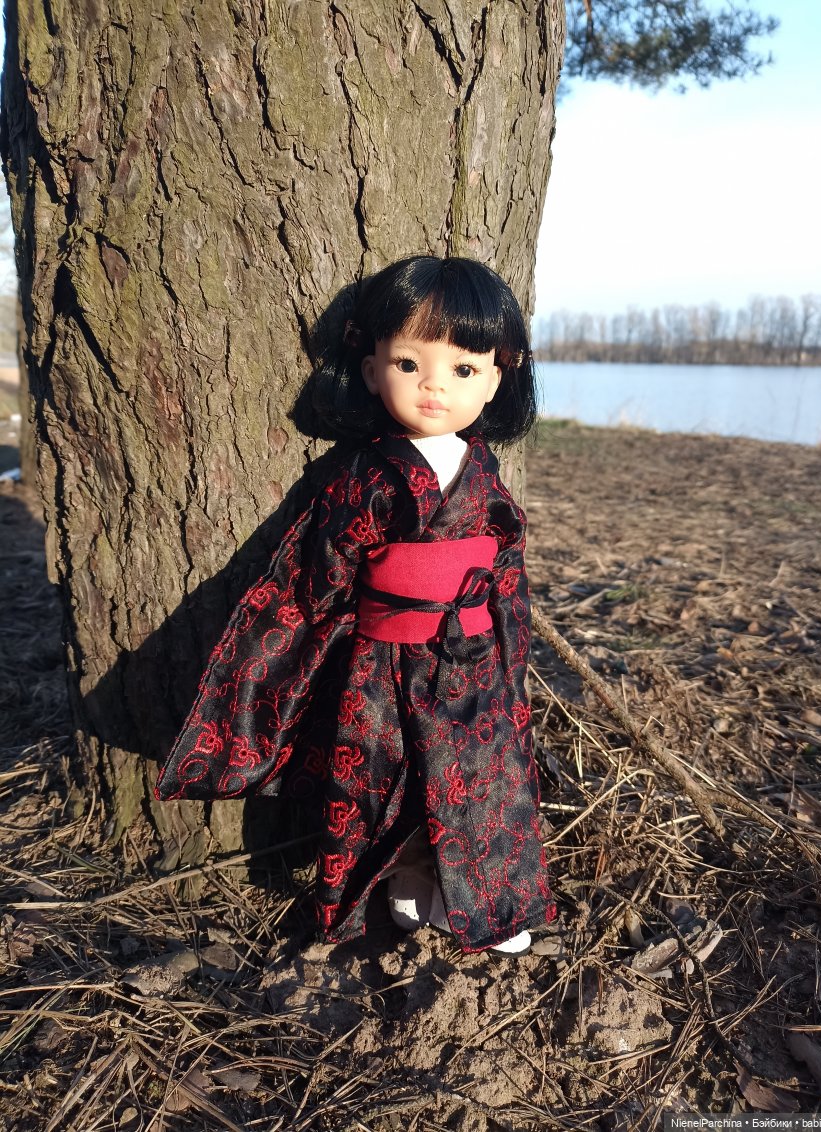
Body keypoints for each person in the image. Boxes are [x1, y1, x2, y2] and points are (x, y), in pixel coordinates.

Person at [155, 255, 556, 955]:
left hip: (471, 660)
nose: (435, 385)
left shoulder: (484, 478)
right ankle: (397, 883)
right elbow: (323, 571)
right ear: (372, 371)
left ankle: (490, 906)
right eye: (409, 364)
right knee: (384, 778)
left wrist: (508, 650)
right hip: (385, 663)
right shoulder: (366, 476)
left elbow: (506, 573)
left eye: (464, 369)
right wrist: (320, 639)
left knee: (483, 779)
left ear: (496, 379)